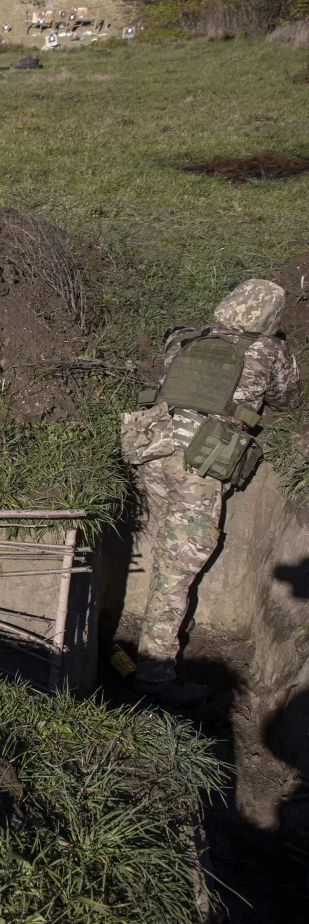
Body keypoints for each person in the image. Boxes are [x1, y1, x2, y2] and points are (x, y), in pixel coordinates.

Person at [120, 279, 302, 704]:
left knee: (168, 555)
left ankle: (153, 632)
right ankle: (155, 676)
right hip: (197, 465)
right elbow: (288, 399)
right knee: (177, 570)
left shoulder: (189, 338)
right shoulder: (269, 349)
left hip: (152, 448)